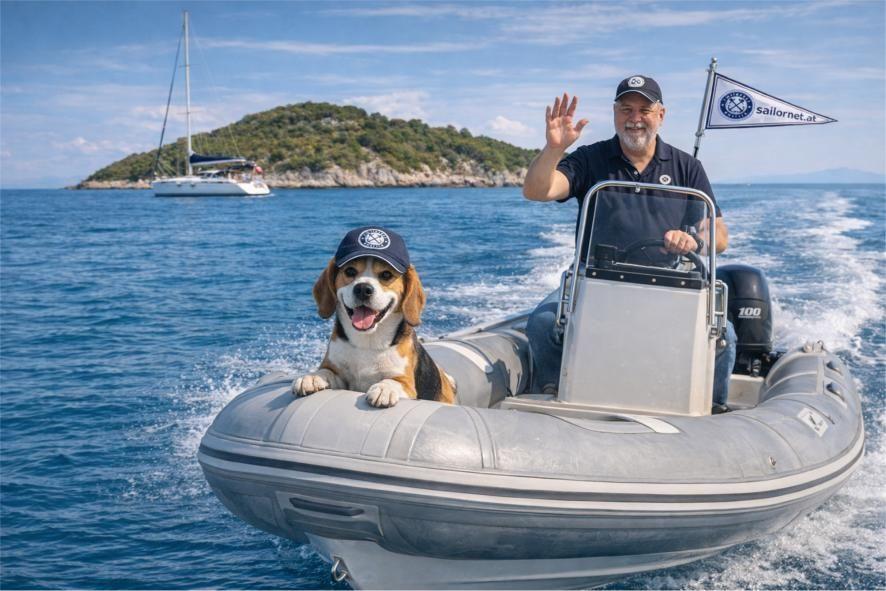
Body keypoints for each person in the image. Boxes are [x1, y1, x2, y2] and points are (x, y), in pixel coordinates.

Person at [522, 75, 736, 413]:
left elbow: (719, 236)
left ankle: (713, 412)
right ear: (614, 114)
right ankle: (554, 393)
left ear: (660, 115)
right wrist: (554, 149)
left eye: (644, 110)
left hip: (669, 286)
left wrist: (693, 239)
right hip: (595, 284)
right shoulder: (591, 159)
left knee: (726, 338)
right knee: (543, 324)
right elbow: (537, 191)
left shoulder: (687, 167)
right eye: (626, 109)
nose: (634, 118)